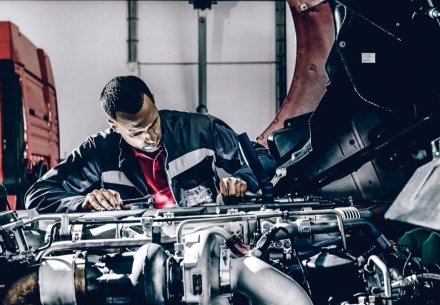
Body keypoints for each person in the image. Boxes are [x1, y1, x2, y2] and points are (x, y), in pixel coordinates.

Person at [25, 75, 262, 212]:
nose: (150, 137)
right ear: (114, 126)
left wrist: (243, 180)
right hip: (136, 252)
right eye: (136, 132)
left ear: (154, 103)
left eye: (153, 122)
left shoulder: (199, 129)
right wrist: (83, 202)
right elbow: (37, 194)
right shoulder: (99, 151)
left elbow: (260, 156)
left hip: (204, 238)